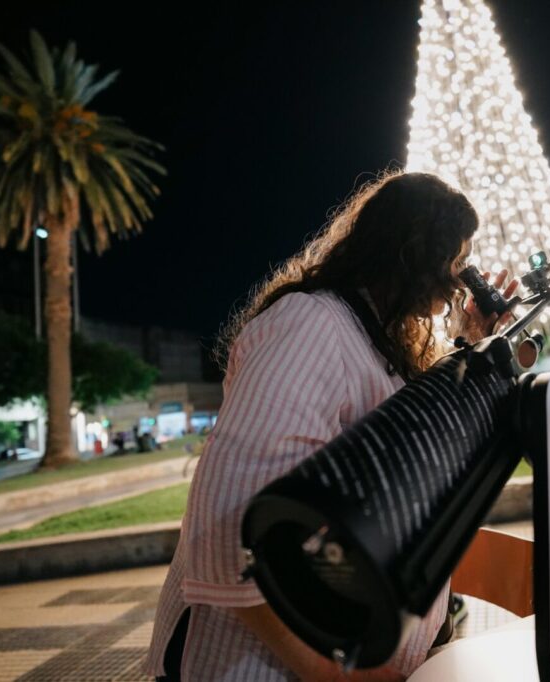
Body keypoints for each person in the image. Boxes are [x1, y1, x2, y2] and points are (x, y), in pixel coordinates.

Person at [144, 171, 516, 681]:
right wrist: (339, 676)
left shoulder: (375, 334)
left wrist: (473, 344)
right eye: (453, 260)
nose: (459, 280)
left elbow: (416, 433)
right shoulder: (309, 325)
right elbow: (223, 523)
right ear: (411, 254)